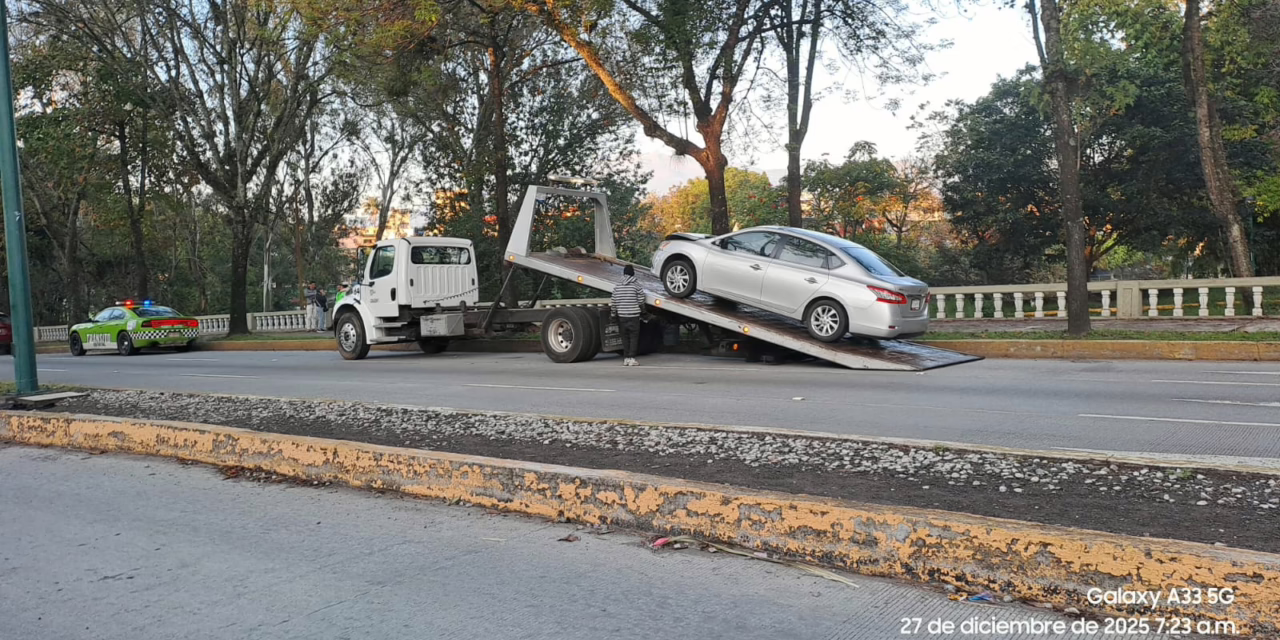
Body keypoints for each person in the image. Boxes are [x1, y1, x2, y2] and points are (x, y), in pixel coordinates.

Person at [610, 264, 645, 366]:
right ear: (633, 273)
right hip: (633, 316)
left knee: (624, 337)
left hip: (622, 316)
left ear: (624, 273)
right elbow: (641, 299)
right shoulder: (636, 285)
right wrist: (643, 311)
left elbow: (614, 302)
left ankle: (626, 358)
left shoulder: (617, 286)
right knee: (633, 337)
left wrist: (613, 314)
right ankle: (632, 358)